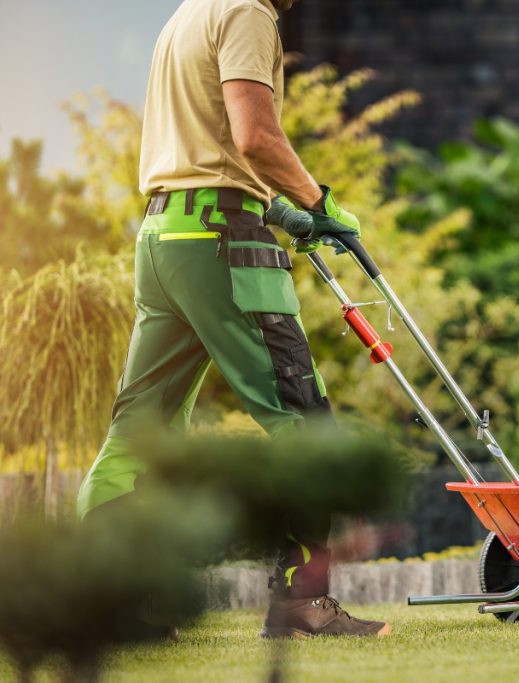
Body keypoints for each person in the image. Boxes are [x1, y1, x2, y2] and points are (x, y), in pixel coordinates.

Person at [76, 0, 391, 638]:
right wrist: (317, 200)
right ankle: (303, 603)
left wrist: (277, 208)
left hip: (164, 238)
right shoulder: (248, 11)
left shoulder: (187, 14)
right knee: (304, 419)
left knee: (140, 431)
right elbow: (254, 136)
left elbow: (209, 147)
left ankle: (100, 598)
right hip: (223, 244)